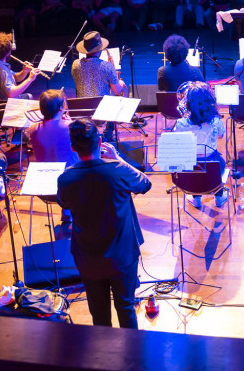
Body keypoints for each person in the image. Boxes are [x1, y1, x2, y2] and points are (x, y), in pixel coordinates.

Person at [58, 119, 152, 329]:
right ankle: (132, 357)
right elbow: (145, 184)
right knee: (126, 308)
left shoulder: (66, 178)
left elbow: (63, 202)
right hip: (122, 255)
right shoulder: (117, 169)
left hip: (87, 257)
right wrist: (118, 158)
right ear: (100, 142)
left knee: (99, 314)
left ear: (73, 148)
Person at [172, 81, 229, 209]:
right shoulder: (215, 120)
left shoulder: (181, 123)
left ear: (188, 103)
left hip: (189, 166)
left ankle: (195, 197)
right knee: (217, 161)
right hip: (213, 164)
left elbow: (177, 142)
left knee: (191, 164)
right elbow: (221, 135)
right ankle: (219, 196)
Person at [71, 31, 128, 141]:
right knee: (116, 98)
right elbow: (117, 90)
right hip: (102, 113)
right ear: (100, 49)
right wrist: (120, 82)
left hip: (83, 112)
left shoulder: (75, 65)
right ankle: (108, 133)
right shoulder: (106, 66)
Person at [26, 89, 74, 165]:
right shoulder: (71, 127)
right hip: (68, 171)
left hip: (45, 170)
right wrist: (70, 122)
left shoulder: (33, 128)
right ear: (61, 109)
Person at [0, 32, 39, 101]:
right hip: (8, 104)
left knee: (29, 96)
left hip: (2, 101)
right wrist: (30, 79)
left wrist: (24, 71)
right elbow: (11, 93)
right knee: (31, 98)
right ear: (7, 53)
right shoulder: (2, 70)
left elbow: (16, 77)